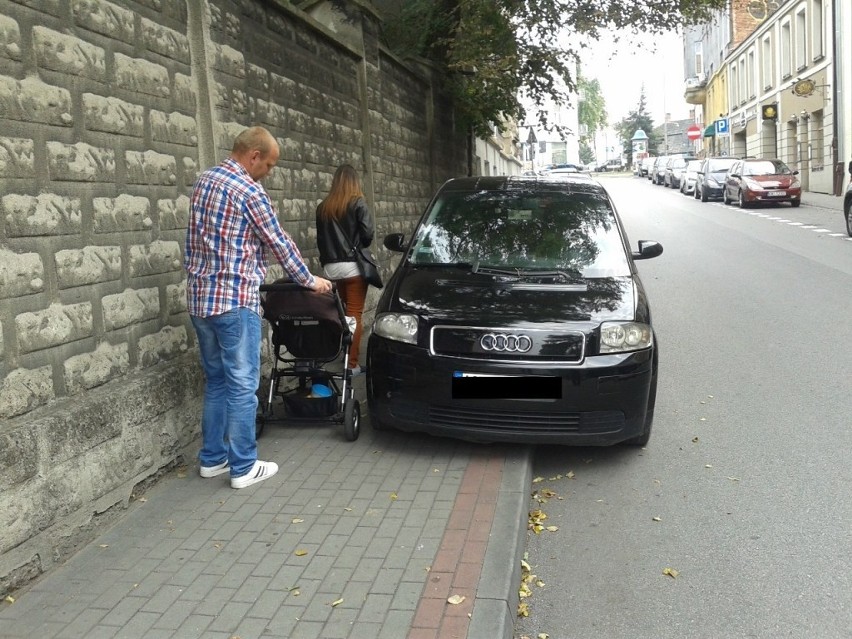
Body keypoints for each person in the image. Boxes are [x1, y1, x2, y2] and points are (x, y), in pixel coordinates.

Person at [185, 126, 332, 489]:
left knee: (217, 381)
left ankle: (212, 459)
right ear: (253, 156)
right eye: (269, 164)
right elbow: (279, 241)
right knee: (242, 384)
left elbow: (190, 241)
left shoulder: (204, 181)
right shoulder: (249, 191)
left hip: (200, 300)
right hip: (235, 301)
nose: (270, 171)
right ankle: (243, 467)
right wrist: (309, 280)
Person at [315, 164, 375, 376]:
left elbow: (321, 241)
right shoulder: (358, 203)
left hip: (331, 270)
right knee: (354, 314)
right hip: (353, 269)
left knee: (340, 313)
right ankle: (352, 365)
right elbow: (368, 235)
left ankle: (340, 353)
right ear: (354, 182)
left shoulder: (323, 207)